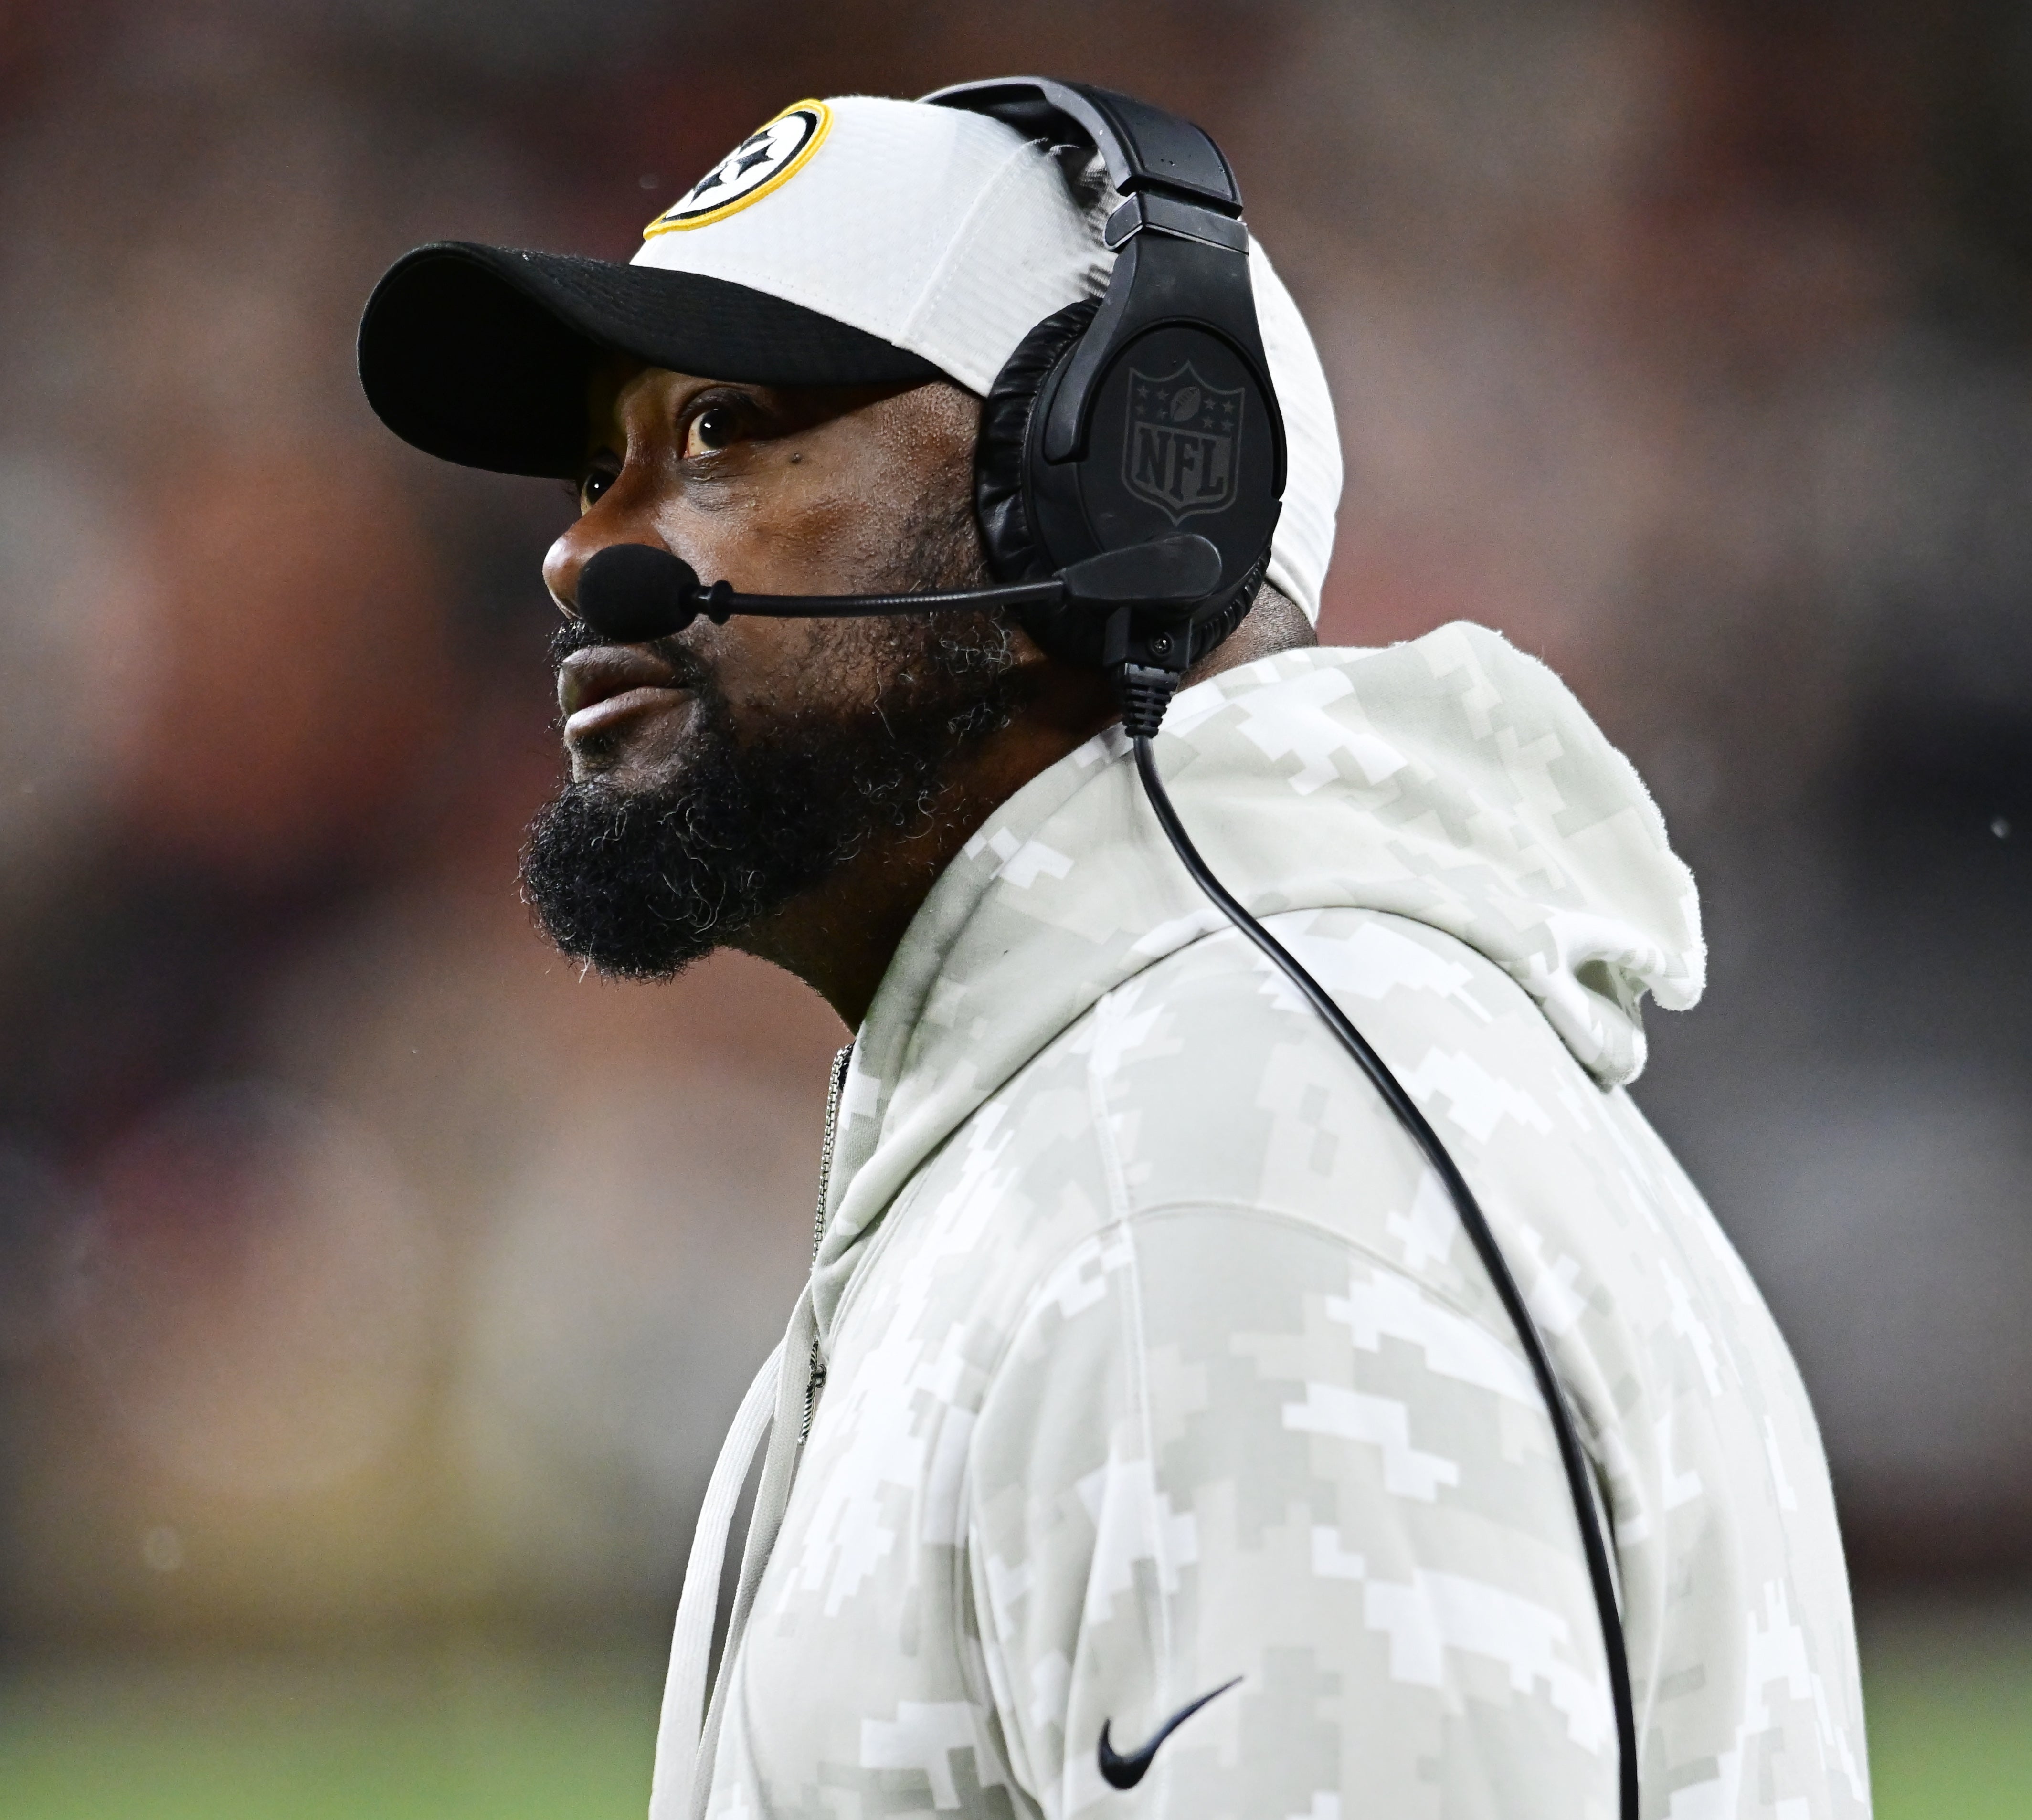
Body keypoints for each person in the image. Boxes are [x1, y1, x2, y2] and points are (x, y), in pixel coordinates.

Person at [359, 85, 1868, 1820]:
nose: (582, 548)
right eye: (591, 467)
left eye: (715, 430)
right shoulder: (1123, 1125)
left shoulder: (1230, 1182)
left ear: (1103, 486)